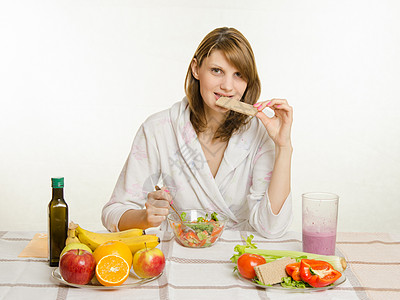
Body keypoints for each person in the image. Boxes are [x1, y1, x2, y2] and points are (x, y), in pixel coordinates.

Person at [102, 27, 293, 238]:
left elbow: (271, 228)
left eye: (239, 75)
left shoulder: (258, 133)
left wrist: (283, 146)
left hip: (239, 257)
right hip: (178, 255)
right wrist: (145, 217)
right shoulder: (159, 129)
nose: (228, 86)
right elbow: (113, 212)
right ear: (196, 69)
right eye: (216, 71)